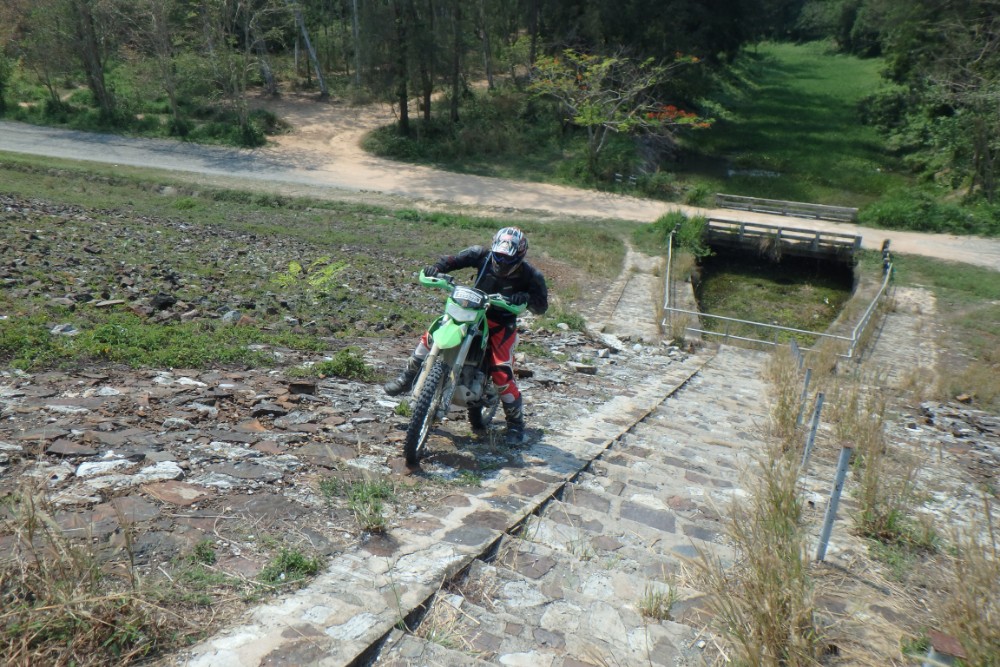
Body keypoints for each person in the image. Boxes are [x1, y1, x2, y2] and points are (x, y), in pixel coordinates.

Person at [384, 226, 548, 445]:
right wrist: (436, 268)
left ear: (519, 256)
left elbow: (541, 306)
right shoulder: (480, 254)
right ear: (494, 249)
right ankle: (407, 377)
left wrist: (524, 298)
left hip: (501, 322)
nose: (502, 262)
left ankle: (515, 424)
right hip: (471, 310)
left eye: (508, 258)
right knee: (434, 333)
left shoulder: (531, 275)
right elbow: (451, 260)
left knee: (501, 371)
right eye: (499, 256)